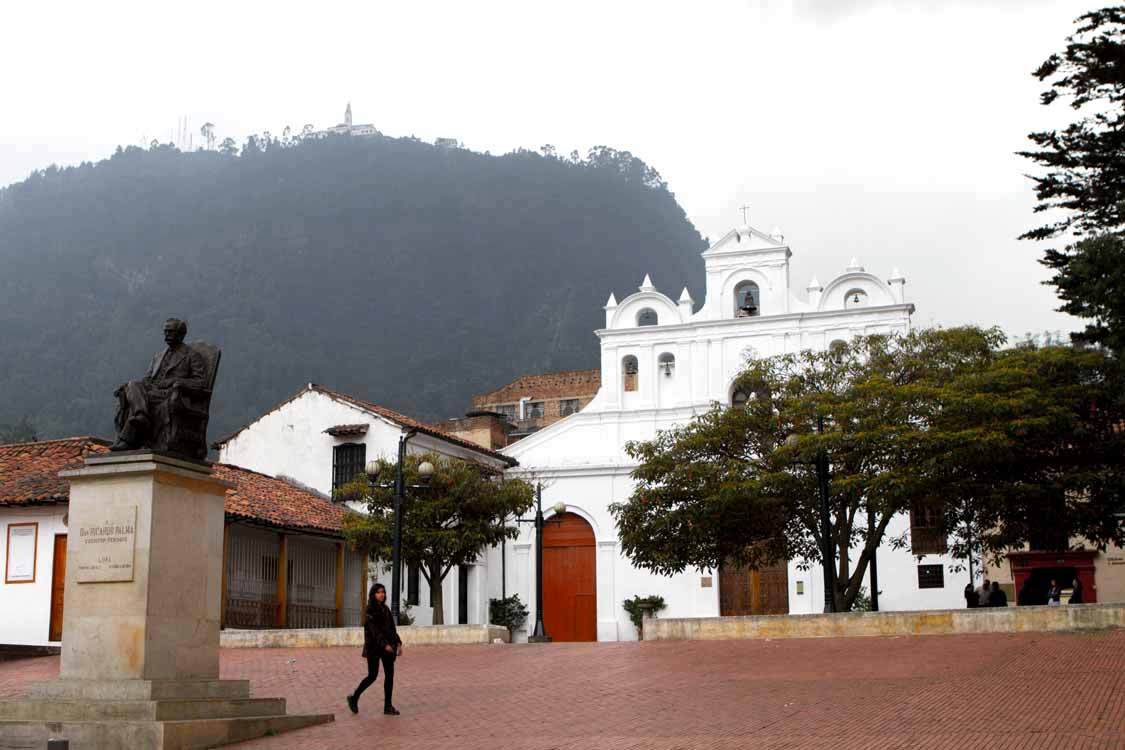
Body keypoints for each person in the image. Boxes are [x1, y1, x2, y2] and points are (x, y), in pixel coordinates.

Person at [111, 318, 208, 452]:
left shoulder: (192, 356)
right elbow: (147, 378)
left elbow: (200, 383)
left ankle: (128, 438)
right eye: (165, 332)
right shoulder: (158, 356)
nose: (166, 335)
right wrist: (133, 387)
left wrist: (175, 381)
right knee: (131, 384)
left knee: (136, 396)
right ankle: (141, 415)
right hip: (151, 391)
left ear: (181, 334)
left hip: (169, 394)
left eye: (170, 332)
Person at [347, 583, 403, 716]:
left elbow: (391, 629)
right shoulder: (370, 610)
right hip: (374, 648)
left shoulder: (386, 609)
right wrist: (385, 645)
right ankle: (354, 697)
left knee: (389, 676)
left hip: (388, 648)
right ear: (373, 594)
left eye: (383, 592)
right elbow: (374, 631)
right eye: (378, 592)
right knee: (372, 676)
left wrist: (398, 643)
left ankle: (388, 707)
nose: (381, 594)